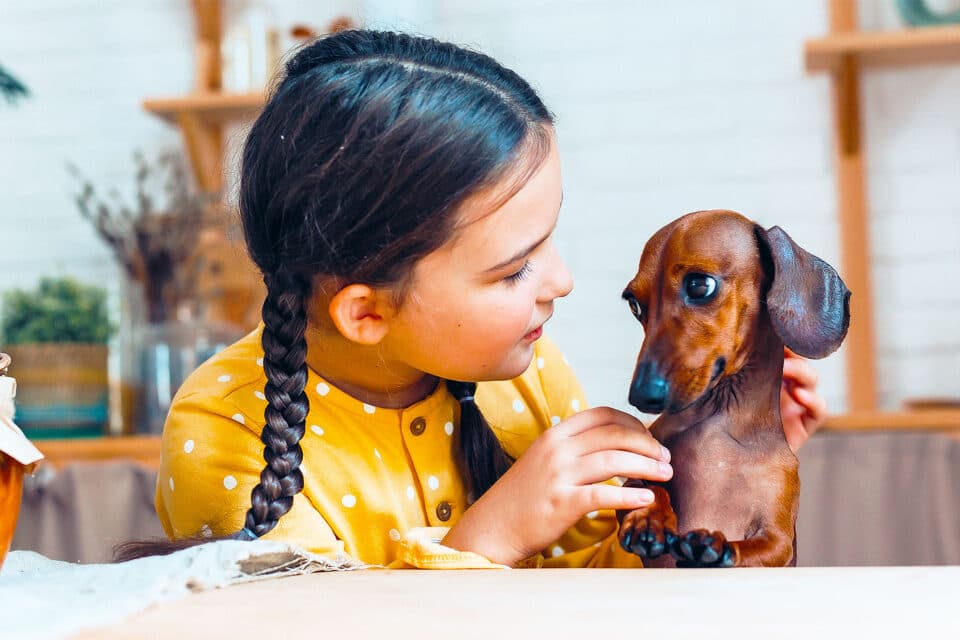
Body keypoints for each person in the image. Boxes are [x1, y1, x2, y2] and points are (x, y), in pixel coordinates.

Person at [131, 30, 826, 568]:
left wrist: (720, 478)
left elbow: (608, 591)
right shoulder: (225, 435)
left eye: (547, 241)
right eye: (513, 269)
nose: (561, 281)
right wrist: (494, 533)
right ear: (367, 312)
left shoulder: (528, 375)